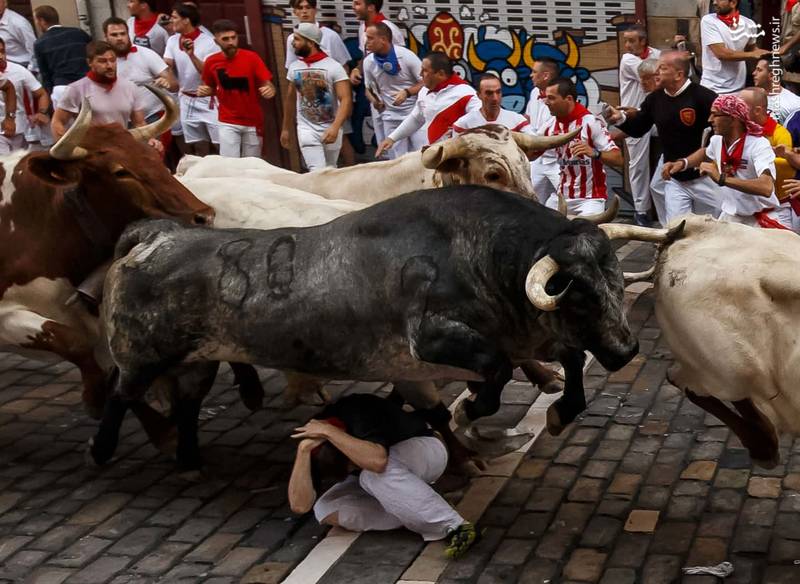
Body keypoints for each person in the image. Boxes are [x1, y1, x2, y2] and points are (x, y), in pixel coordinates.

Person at [288, 393, 478, 558]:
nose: (350, 468)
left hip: (426, 450)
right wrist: (303, 451)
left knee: (371, 475)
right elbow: (300, 505)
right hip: (384, 477)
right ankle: (419, 508)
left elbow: (377, 462)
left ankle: (454, 525)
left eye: (350, 464)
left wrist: (330, 432)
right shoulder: (314, 445)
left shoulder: (356, 410)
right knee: (324, 508)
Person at [607, 50, 719, 222]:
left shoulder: (705, 97)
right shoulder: (654, 99)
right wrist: (619, 120)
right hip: (675, 179)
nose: (656, 72)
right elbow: (638, 129)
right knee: (676, 229)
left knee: (713, 229)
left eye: (662, 68)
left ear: (678, 74)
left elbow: (719, 137)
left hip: (705, 177)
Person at [674, 94, 786, 228]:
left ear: (733, 118)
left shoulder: (759, 145)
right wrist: (683, 163)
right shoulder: (717, 141)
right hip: (730, 218)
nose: (710, 119)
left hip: (760, 221)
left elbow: (766, 187)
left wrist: (721, 179)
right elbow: (705, 153)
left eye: (715, 115)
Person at [51, 41, 157, 151]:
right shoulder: (76, 90)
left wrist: (150, 139)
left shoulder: (130, 87)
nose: (109, 66)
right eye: (102, 61)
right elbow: (57, 121)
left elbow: (139, 123)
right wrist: (66, 148)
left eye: (112, 60)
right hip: (91, 154)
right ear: (90, 62)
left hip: (122, 151)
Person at [541, 77, 623, 215]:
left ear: (568, 99)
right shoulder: (548, 127)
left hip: (590, 199)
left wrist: (595, 153)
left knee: (585, 234)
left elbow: (618, 159)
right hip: (560, 197)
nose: (546, 102)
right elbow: (531, 154)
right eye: (546, 98)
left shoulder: (591, 123)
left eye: (551, 98)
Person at [375, 52, 480, 158]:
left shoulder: (467, 94)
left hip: (457, 159)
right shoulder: (424, 91)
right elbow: (416, 118)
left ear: (440, 74)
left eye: (425, 70)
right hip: (432, 156)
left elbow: (482, 121)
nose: (420, 74)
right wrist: (391, 138)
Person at [198, 19, 276, 158]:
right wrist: (204, 91)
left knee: (252, 164)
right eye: (225, 39)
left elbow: (267, 83)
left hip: (252, 121)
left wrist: (270, 90)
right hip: (227, 120)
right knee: (229, 163)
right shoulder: (211, 61)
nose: (230, 42)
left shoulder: (251, 58)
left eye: (233, 38)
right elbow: (209, 86)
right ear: (216, 41)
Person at [281, 22, 351, 170]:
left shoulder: (334, 67)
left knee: (331, 168)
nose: (293, 43)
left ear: (311, 42)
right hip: (306, 128)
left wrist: (335, 127)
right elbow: (290, 99)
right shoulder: (295, 67)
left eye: (297, 39)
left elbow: (345, 99)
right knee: (317, 171)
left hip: (330, 127)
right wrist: (286, 128)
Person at [164, 2, 221, 156]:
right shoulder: (172, 40)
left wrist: (191, 55)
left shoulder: (209, 42)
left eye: (175, 17)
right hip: (187, 98)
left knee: (218, 143)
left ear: (186, 20)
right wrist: (167, 76)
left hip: (208, 99)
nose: (171, 20)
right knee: (196, 144)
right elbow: (167, 64)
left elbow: (209, 73)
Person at [619, 25, 661, 226]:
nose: (627, 45)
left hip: (656, 110)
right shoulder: (627, 60)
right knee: (638, 164)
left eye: (631, 41)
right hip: (634, 115)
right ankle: (641, 211)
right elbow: (653, 73)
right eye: (625, 40)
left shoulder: (655, 53)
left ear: (643, 41)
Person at [362, 22, 423, 158]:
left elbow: (426, 82)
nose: (367, 42)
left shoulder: (406, 56)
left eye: (370, 38)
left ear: (383, 39)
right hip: (390, 117)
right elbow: (368, 89)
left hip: (415, 115)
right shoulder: (368, 62)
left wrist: (407, 92)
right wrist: (375, 101)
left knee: (420, 157)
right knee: (397, 160)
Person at [351, 0, 404, 149]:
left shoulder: (389, 28)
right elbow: (366, 55)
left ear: (371, 7)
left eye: (357, 3)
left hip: (392, 92)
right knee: (382, 137)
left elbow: (401, 58)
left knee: (396, 139)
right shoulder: (363, 28)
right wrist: (357, 69)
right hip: (374, 92)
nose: (353, 7)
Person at [104, 17, 177, 125]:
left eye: (123, 34)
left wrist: (166, 83)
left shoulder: (146, 54)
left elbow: (174, 85)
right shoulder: (103, 61)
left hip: (153, 118)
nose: (119, 38)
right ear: (106, 37)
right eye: (114, 35)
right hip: (121, 122)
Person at [740, 87, 794, 229]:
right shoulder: (739, 132)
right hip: (744, 208)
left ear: (757, 110)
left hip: (776, 208)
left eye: (742, 106)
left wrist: (751, 159)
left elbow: (783, 169)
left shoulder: (781, 134)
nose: (737, 110)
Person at [699, 0, 769, 94]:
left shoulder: (749, 24)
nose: (714, 3)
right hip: (712, 89)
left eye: (718, 0)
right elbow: (722, 54)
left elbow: (751, 49)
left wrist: (769, 54)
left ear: (733, 3)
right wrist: (753, 54)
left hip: (739, 89)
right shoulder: (708, 21)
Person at [32, 5, 91, 108]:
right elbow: (94, 53)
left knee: (64, 123)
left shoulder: (40, 43)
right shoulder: (79, 33)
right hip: (86, 84)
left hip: (62, 88)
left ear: (42, 21)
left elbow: (45, 75)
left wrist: (50, 94)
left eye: (36, 20)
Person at [0, 37, 47, 153]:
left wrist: (41, 112)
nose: (0, 56)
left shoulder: (19, 70)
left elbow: (41, 93)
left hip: (19, 131)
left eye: (2, 51)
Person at [525, 56, 560, 205]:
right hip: (537, 158)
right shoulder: (534, 92)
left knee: (568, 197)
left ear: (545, 75)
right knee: (528, 197)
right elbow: (527, 117)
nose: (530, 75)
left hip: (558, 160)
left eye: (534, 72)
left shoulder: (561, 96)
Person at [453, 73, 530, 133]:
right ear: (479, 95)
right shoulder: (464, 124)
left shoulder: (518, 121)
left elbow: (535, 147)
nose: (495, 98)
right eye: (489, 93)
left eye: (498, 92)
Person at [286, 0, 350, 69]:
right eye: (300, 8)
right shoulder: (292, 38)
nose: (304, 11)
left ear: (315, 10)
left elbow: (344, 66)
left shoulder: (331, 35)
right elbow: (291, 67)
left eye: (308, 7)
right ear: (295, 12)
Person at [751, 58, 800, 125]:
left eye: (759, 70)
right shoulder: (751, 98)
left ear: (771, 75)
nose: (753, 73)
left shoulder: (795, 103)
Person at [0, 0, 35, 68]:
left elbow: (34, 50)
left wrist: (31, 71)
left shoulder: (19, 23)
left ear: (5, 3)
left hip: (22, 66)